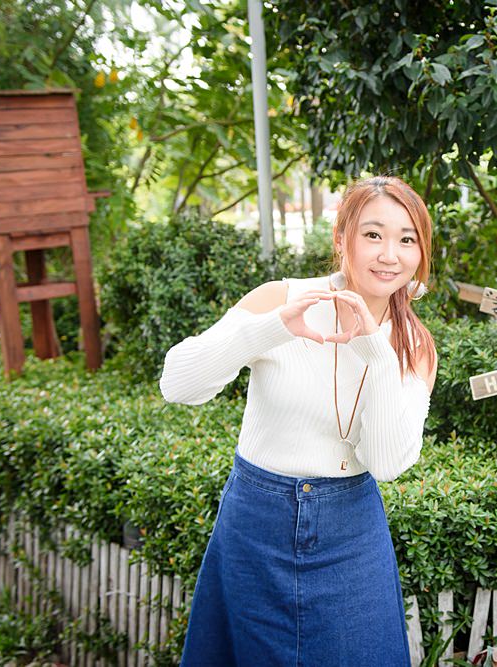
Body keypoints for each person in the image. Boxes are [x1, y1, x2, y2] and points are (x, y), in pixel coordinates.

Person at [159, 176, 438, 666]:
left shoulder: (412, 345)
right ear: (341, 238)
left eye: (406, 238)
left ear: (420, 253)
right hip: (255, 521)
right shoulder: (281, 299)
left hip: (351, 530)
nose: (389, 254)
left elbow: (388, 461)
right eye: (373, 234)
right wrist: (270, 330)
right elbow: (178, 384)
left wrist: (375, 352)